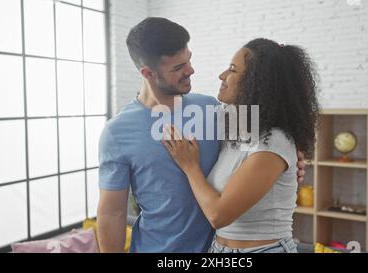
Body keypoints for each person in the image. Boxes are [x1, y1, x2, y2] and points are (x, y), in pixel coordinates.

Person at [97, 17, 306, 253]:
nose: (190, 70)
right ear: (148, 73)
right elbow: (111, 212)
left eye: (188, 60)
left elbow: (272, 141)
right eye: (178, 68)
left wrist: (295, 160)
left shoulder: (213, 110)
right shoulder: (117, 132)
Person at [162, 38, 319, 253]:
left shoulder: (274, 141)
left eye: (232, 70)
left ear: (258, 83)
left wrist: (190, 166)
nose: (222, 76)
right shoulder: (239, 126)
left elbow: (218, 215)